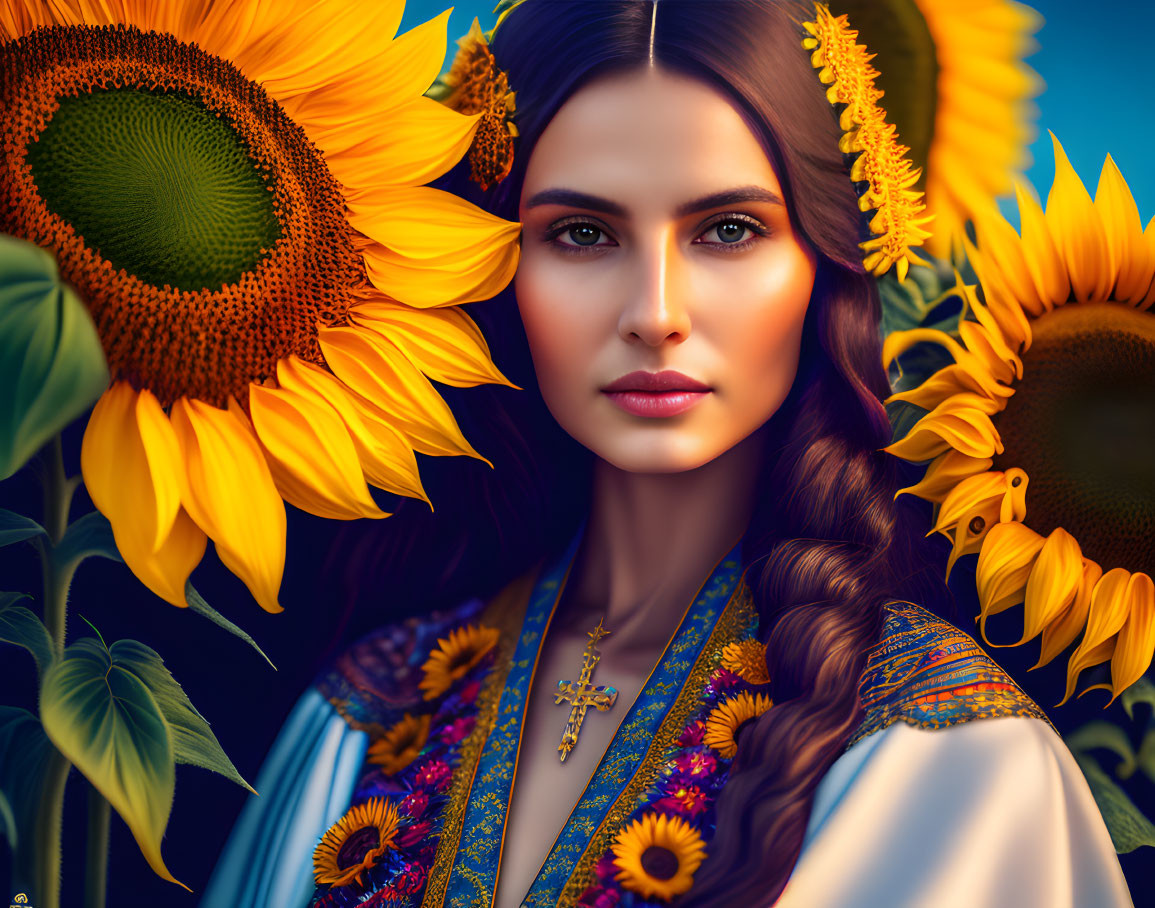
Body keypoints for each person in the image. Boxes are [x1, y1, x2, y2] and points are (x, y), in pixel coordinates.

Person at [201, 1, 1132, 905]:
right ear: (481, 261)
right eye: (581, 234)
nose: (655, 313)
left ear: (826, 265)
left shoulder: (957, 759)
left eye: (727, 231)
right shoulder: (371, 706)